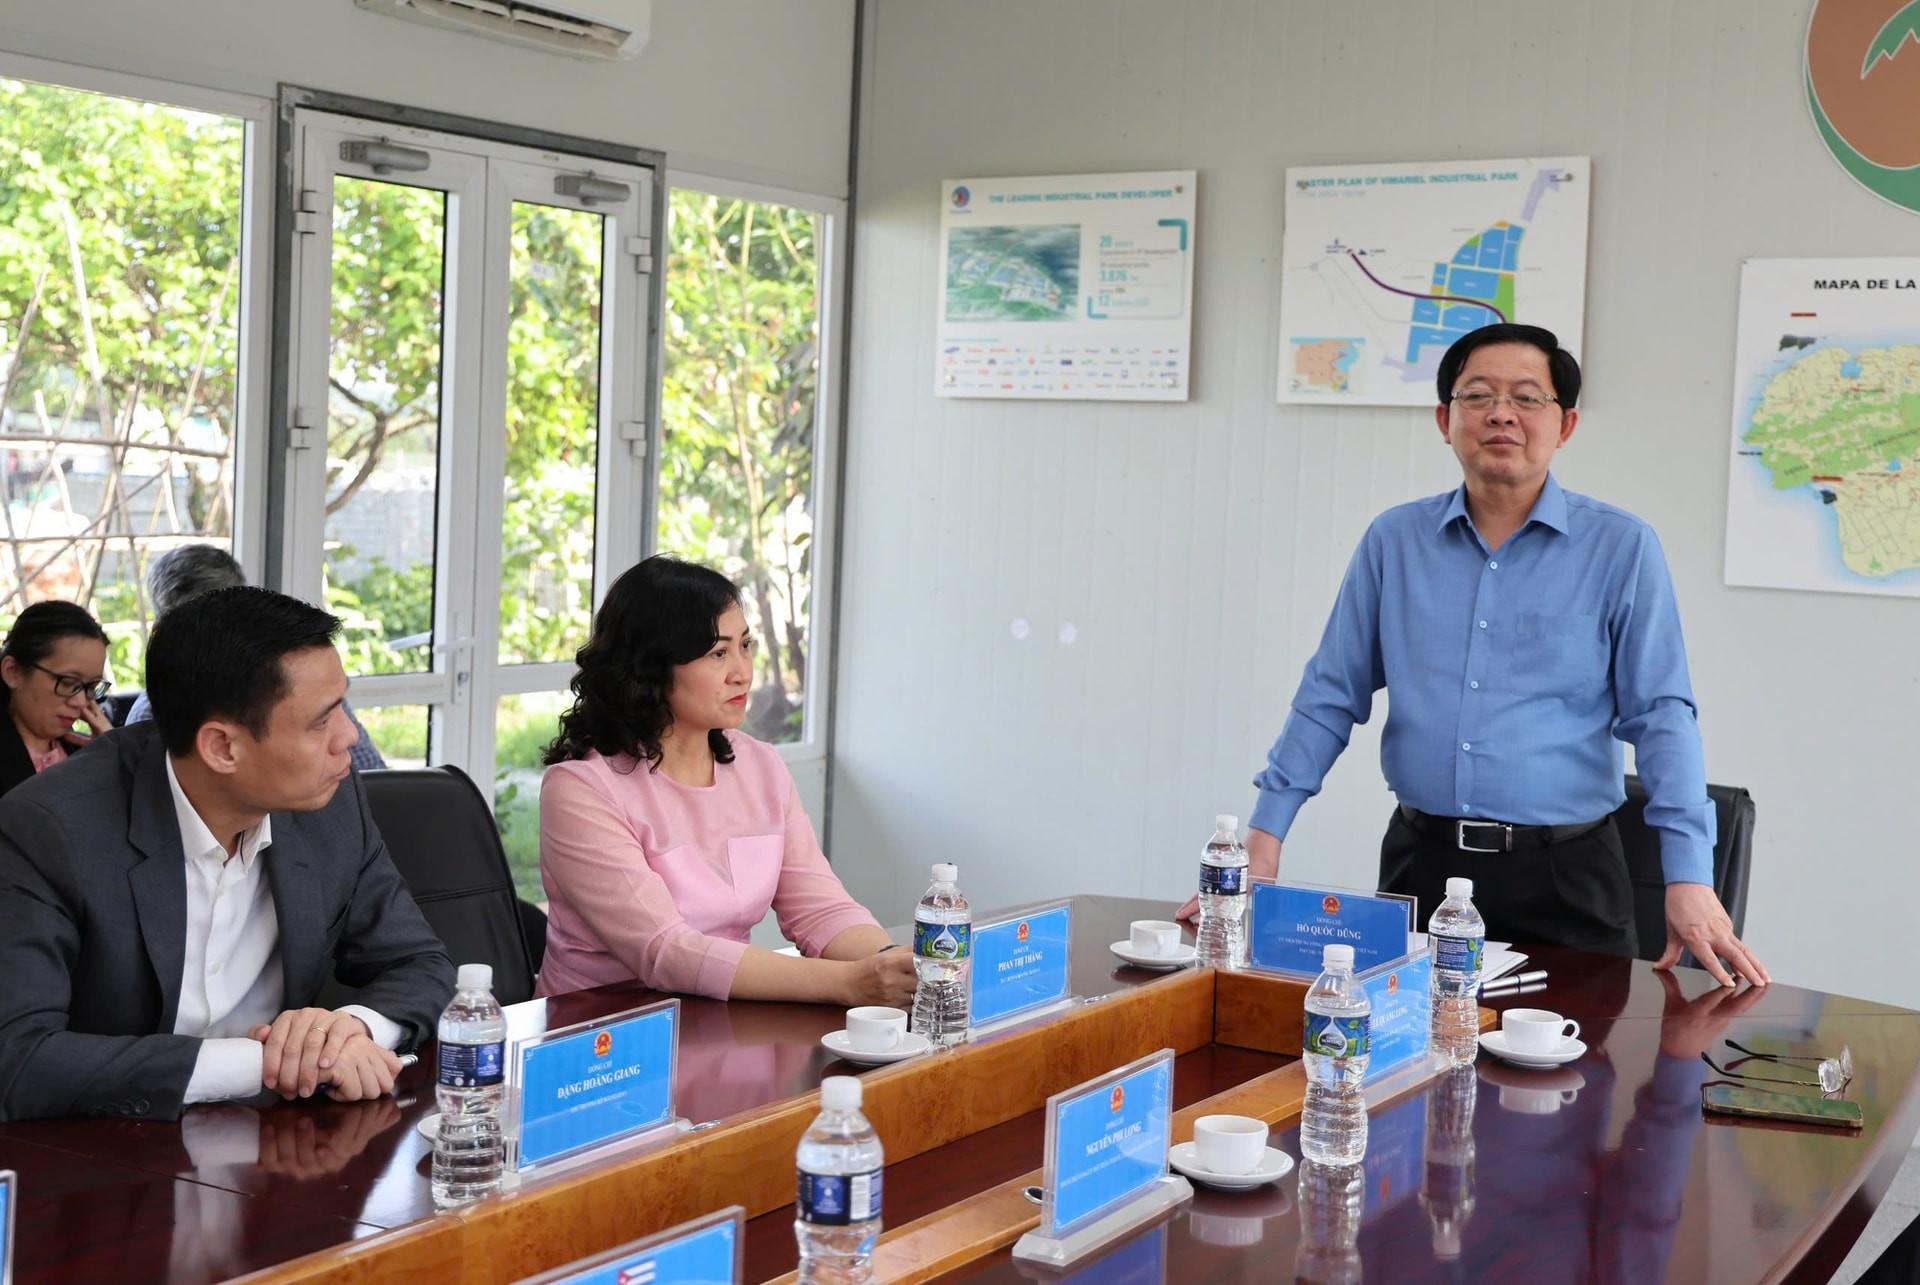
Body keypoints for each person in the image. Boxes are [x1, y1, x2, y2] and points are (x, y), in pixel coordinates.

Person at [1196, 324, 1765, 988]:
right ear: (1445, 420)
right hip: (1423, 864)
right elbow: (1329, 695)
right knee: (1406, 1046)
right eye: (1478, 395)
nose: (1501, 413)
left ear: (1565, 424)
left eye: (1527, 397)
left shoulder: (1620, 548)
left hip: (1569, 877)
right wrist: (1264, 839)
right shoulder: (1394, 542)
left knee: (1575, 1056)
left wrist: (1689, 875)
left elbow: (1663, 716)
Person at [0, 586, 453, 1121]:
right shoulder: (49, 828)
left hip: (284, 1138)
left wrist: (347, 1032)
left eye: (342, 707)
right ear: (222, 747)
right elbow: (18, 1057)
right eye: (320, 721)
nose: (349, 737)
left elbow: (421, 963)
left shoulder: (330, 804)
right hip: (120, 1144)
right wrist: (264, 1063)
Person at [537, 556, 915, 1007]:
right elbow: (665, 950)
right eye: (718, 653)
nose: (743, 672)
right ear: (651, 666)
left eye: (746, 646)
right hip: (605, 1032)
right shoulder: (581, 789)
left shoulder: (761, 766)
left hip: (722, 1016)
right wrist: (848, 983)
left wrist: (893, 965)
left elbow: (819, 907)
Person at [125, 544, 386, 771]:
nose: (347, 736)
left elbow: (374, 782)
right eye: (198, 629)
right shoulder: (149, 719)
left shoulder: (302, 685)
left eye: (228, 622)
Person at [0, 600, 114, 794]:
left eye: (92, 687)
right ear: (13, 672)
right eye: (68, 683)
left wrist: (112, 754)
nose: (80, 702)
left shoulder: (86, 753)